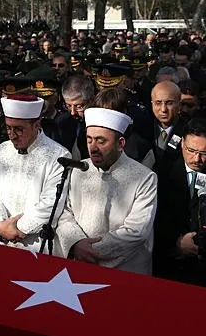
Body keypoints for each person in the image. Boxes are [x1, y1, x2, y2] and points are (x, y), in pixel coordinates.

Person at [56, 107, 157, 274]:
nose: (93, 147)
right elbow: (65, 212)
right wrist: (76, 243)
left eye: (101, 141)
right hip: (79, 265)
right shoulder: (79, 169)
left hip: (124, 271)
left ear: (120, 144)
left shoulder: (144, 177)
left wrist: (89, 251)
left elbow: (135, 232)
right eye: (89, 140)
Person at [152, 118, 206, 290]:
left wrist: (200, 244)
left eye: (205, 153)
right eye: (191, 150)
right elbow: (155, 214)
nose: (197, 158)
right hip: (168, 262)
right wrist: (177, 242)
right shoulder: (162, 170)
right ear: (182, 143)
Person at [0, 95, 70, 251]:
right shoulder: (1, 150)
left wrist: (15, 229)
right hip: (1, 239)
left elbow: (50, 204)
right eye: (8, 128)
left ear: (36, 125)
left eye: (19, 129)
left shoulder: (59, 156)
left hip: (36, 245)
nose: (12, 135)